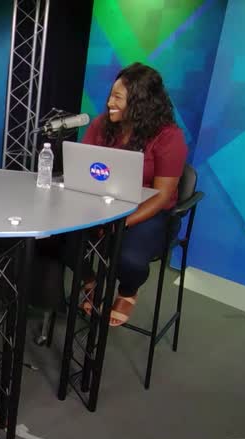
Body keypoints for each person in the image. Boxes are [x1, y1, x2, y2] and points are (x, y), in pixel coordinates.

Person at [71, 62, 187, 327]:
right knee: (57, 239)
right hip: (102, 205)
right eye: (110, 95)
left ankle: (127, 291)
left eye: (117, 97)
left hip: (149, 212)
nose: (109, 103)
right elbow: (82, 166)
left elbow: (162, 196)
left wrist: (120, 223)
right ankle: (91, 281)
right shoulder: (101, 125)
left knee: (129, 259)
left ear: (139, 102)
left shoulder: (169, 137)